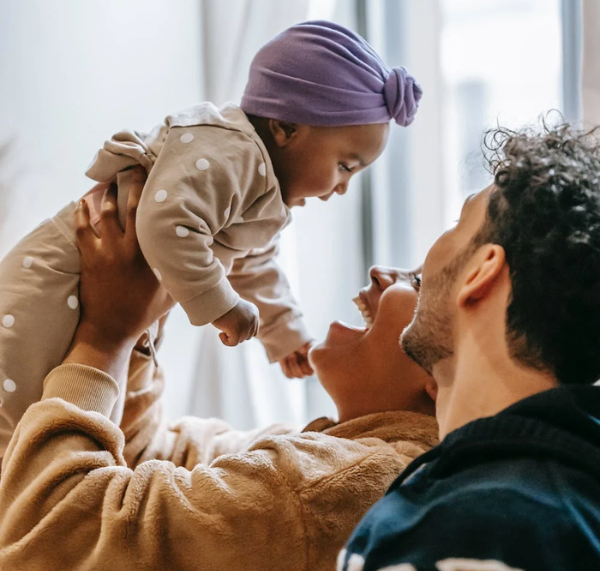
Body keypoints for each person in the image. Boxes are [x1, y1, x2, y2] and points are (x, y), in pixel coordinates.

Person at [0, 20, 422, 459]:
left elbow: (255, 262)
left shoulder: (260, 186)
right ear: (285, 128)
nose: (342, 188)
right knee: (17, 413)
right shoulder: (232, 152)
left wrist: (284, 332)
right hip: (53, 281)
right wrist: (224, 307)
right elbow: (167, 225)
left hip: (86, 293)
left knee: (33, 423)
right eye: (345, 166)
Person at [0, 177, 437, 571]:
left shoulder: (325, 487)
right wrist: (140, 318)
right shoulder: (338, 453)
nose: (381, 272)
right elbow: (147, 455)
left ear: (440, 381)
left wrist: (105, 338)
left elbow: (48, 537)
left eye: (418, 282)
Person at [340, 121, 600, 571]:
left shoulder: (487, 526)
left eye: (459, 223)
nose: (426, 259)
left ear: (481, 273)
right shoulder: (522, 494)